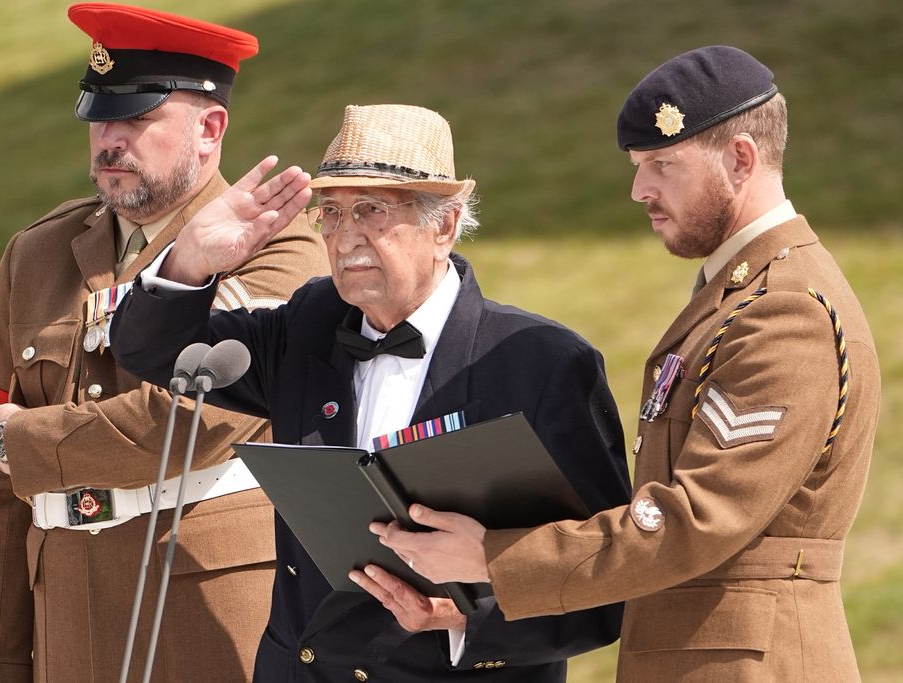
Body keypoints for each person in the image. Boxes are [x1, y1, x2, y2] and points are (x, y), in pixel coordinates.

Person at [372, 46, 882, 681]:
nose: (640, 189)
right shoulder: (740, 294)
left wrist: (495, 557)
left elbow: (696, 519)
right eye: (640, 166)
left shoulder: (785, 312)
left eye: (663, 165)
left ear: (742, 159)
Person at [110, 103, 632, 681]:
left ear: (445, 225)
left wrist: (460, 619)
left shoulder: (542, 363)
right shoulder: (308, 325)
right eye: (329, 214)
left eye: (371, 210)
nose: (344, 236)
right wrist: (190, 257)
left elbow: (609, 581)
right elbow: (156, 355)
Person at [0, 4, 328, 681]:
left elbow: (192, 419)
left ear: (210, 128)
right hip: (67, 631)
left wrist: (24, 441)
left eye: (137, 118)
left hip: (211, 624)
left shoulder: (278, 248)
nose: (109, 139)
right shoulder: (34, 256)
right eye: (100, 116)